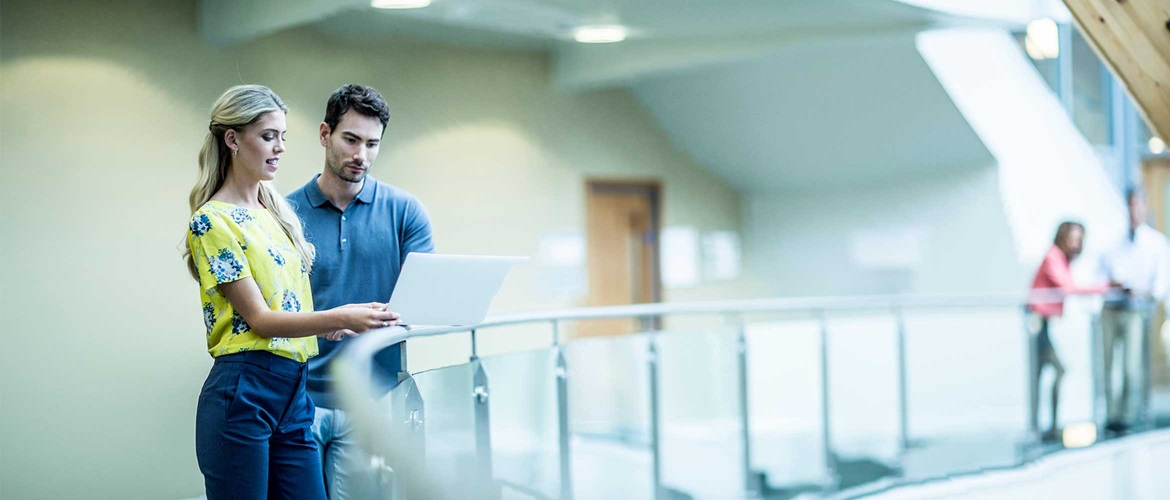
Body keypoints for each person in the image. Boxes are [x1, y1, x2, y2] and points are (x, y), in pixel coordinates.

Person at [184, 84, 401, 500]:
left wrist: (327, 328)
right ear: (232, 139)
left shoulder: (276, 212)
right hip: (244, 391)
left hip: (294, 392)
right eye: (268, 136)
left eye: (283, 136)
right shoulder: (211, 222)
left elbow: (288, 309)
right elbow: (261, 321)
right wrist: (340, 316)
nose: (280, 147)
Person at [288, 84, 434, 499]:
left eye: (372, 144)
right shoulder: (284, 215)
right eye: (350, 140)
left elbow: (422, 303)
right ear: (324, 134)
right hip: (300, 399)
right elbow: (272, 312)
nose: (361, 155)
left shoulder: (405, 211)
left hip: (375, 399)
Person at [1027, 221, 1110, 441]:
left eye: (1079, 239)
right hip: (1036, 322)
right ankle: (1045, 427)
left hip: (1043, 323)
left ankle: (1047, 426)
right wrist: (1103, 288)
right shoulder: (1053, 257)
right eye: (1072, 238)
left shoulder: (1062, 259)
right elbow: (1069, 288)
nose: (1076, 243)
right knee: (1054, 370)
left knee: (1047, 372)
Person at [1101, 188, 1170, 433]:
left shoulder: (1157, 243)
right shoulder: (1113, 242)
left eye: (1137, 205)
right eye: (1130, 205)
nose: (1133, 211)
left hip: (1135, 310)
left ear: (1144, 207)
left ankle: (1126, 418)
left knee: (1131, 367)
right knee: (1109, 367)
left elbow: (1161, 285)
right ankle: (1111, 417)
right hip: (1110, 308)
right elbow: (1101, 273)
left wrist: (1141, 291)